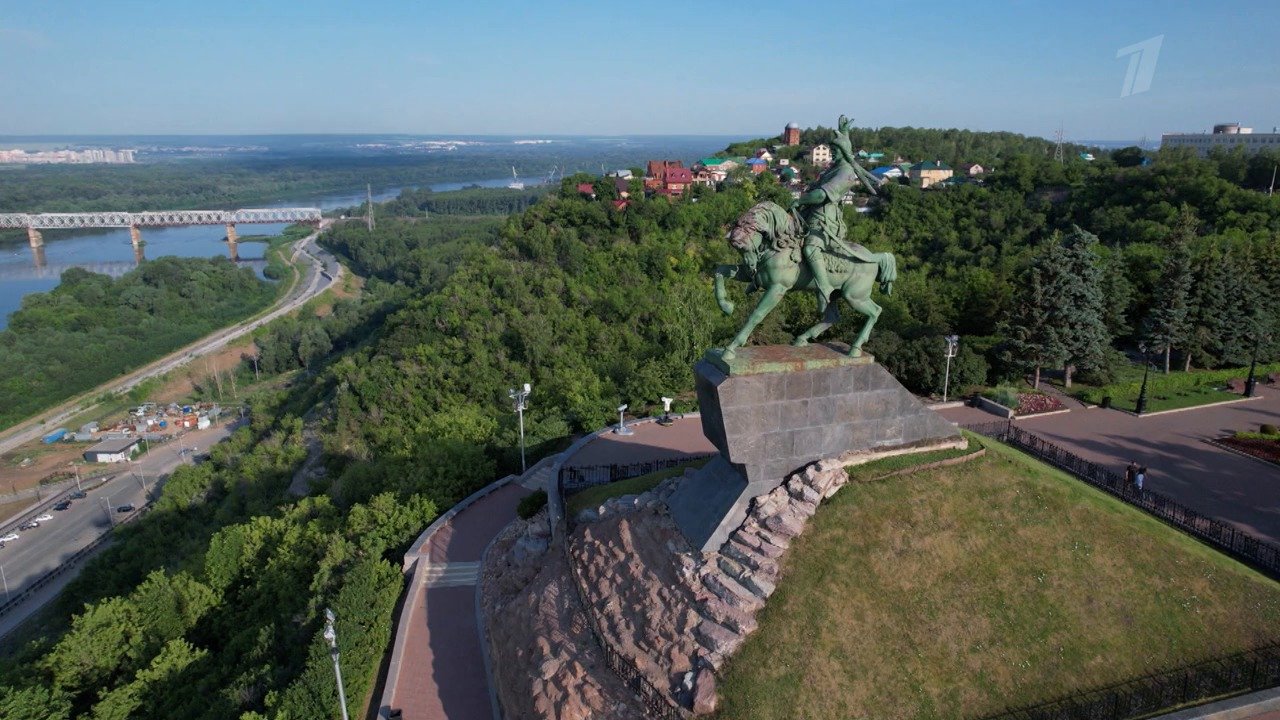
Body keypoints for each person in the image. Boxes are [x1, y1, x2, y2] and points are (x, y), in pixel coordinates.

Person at [794, 115, 881, 301]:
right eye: (832, 149)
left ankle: (824, 287)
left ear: (843, 150)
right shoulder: (833, 168)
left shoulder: (846, 173)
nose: (832, 153)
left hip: (826, 222)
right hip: (810, 215)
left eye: (835, 150)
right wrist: (845, 132)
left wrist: (800, 200)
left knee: (810, 248)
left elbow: (821, 195)